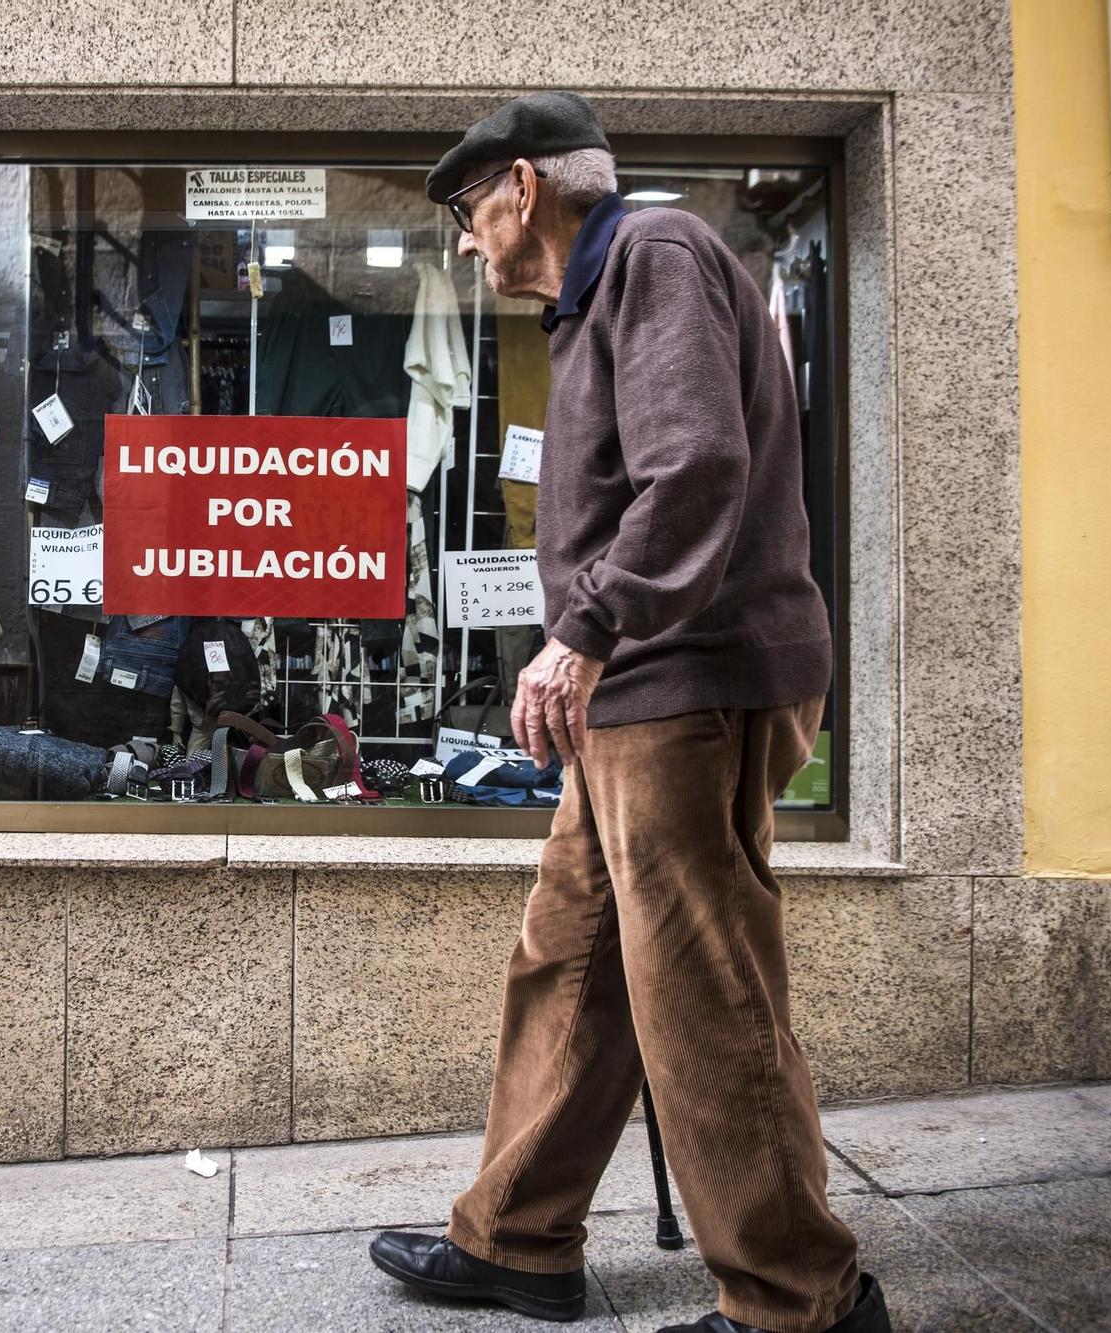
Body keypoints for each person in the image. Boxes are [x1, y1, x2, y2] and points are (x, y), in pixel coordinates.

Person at [367, 92, 891, 1333]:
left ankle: (796, 1299)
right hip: (641, 694)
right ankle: (516, 1238)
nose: (459, 241)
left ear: (523, 186)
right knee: (573, 958)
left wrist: (582, 630)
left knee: (700, 990)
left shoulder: (652, 253)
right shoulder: (598, 291)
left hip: (687, 684)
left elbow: (694, 462)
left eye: (461, 209)